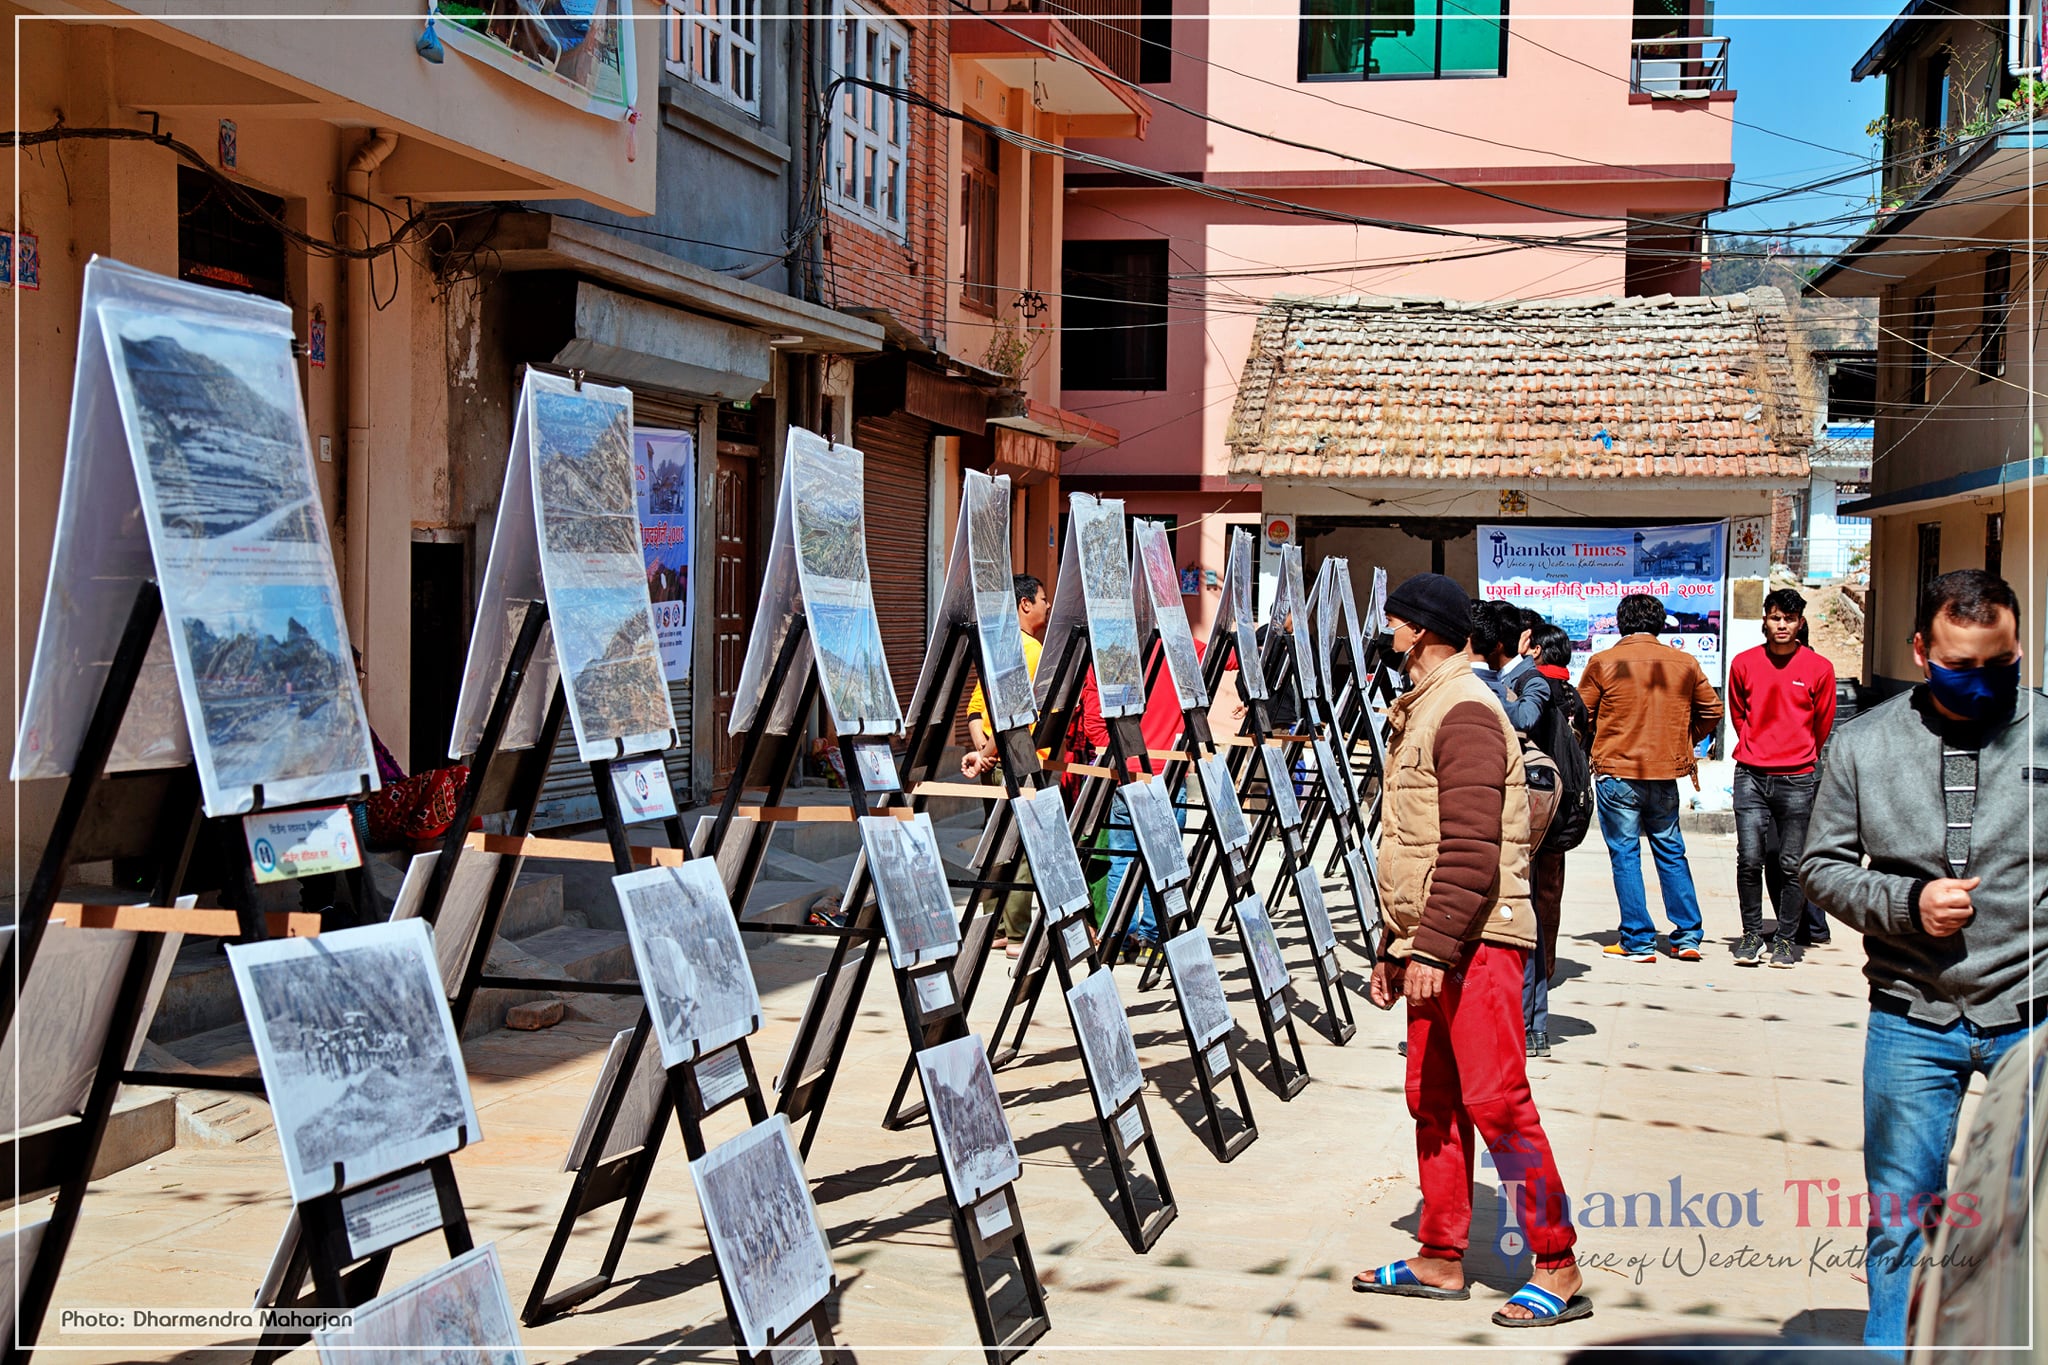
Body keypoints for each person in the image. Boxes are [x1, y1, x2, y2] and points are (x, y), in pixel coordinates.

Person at [1800, 569, 2046, 1352]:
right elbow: (1821, 866)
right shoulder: (1862, 744)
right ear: (1918, 649)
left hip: (2032, 1017)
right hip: (1912, 1015)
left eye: (1998, 666)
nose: (1981, 684)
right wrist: (1908, 904)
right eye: (1958, 667)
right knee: (1901, 1217)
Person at [1353, 573, 1587, 1328]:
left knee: (1499, 1102)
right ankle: (1440, 1253)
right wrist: (1396, 946)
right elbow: (1413, 845)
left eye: (1394, 620)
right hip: (1437, 940)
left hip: (1478, 939)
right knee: (1434, 1097)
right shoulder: (1425, 707)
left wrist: (1436, 944)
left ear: (1419, 630)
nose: (1386, 630)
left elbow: (1472, 847)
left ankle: (1557, 1262)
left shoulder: (1464, 710)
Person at [1577, 593, 1723, 962]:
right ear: (1660, 625)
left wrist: (1598, 737)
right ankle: (1688, 935)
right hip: (1664, 772)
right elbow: (1712, 710)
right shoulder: (1684, 662)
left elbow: (1581, 714)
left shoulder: (1603, 662)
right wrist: (1684, 738)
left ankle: (1638, 941)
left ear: (1620, 623)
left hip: (1617, 773)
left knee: (1625, 855)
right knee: (1670, 850)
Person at [1727, 588, 1837, 968]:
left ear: (1800, 623)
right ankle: (1751, 934)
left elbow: (1822, 724)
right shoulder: (1743, 663)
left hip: (1798, 778)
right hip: (1751, 776)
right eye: (1776, 618)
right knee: (1749, 858)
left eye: (1789, 620)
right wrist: (1757, 746)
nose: (1782, 625)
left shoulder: (1819, 668)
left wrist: (1798, 753)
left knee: (1792, 863)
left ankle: (1787, 940)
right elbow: (1738, 714)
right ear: (1765, 621)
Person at [1081, 634, 1204, 955]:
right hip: (1168, 772)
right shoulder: (1182, 646)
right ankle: (1154, 937)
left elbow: (1093, 724)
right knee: (1161, 863)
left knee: (1121, 860)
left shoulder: (1111, 650)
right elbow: (1232, 657)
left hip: (1126, 771)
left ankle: (1120, 938)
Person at [961, 574, 1051, 955]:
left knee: (995, 840)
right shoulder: (1029, 651)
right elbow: (1012, 718)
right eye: (1043, 599)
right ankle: (1016, 934)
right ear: (1025, 604)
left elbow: (976, 709)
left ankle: (994, 926)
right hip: (1018, 762)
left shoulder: (998, 647)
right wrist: (989, 754)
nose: (1047, 605)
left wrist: (982, 749)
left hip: (995, 759)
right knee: (1022, 845)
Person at [1524, 622, 1589, 1053]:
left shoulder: (1534, 692)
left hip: (1537, 803)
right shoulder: (1574, 697)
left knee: (1526, 893)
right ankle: (1545, 966)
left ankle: (1531, 977)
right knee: (1551, 892)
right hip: (1565, 806)